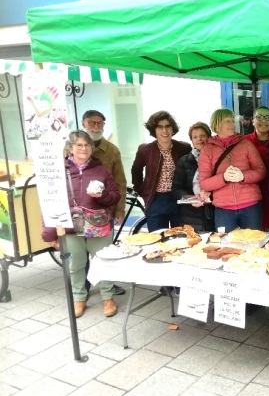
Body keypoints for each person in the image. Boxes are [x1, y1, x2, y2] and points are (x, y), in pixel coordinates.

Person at [42, 131, 121, 318]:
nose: (83, 149)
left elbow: (115, 196)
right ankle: (79, 298)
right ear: (70, 148)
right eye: (79, 145)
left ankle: (108, 297)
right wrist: (49, 234)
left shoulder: (101, 169)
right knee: (76, 263)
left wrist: (101, 196)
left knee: (104, 260)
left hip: (98, 224)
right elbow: (48, 201)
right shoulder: (58, 170)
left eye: (87, 145)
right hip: (70, 225)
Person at [81, 110, 127, 296]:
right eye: (92, 123)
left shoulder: (111, 150)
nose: (96, 127)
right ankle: (83, 286)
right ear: (83, 123)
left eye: (100, 123)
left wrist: (120, 209)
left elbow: (120, 182)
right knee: (81, 251)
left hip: (104, 209)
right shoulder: (72, 147)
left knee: (105, 250)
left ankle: (108, 285)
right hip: (79, 209)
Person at [199, 108, 266, 232]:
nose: (232, 124)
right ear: (217, 124)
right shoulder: (207, 149)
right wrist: (223, 178)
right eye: (227, 121)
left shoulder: (245, 143)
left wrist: (243, 176)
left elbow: (261, 171)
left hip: (250, 205)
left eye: (232, 121)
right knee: (226, 248)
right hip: (223, 209)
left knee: (254, 245)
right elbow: (204, 183)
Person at [131, 111, 191, 232]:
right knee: (157, 238)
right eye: (160, 127)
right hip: (156, 200)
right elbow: (136, 170)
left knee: (181, 236)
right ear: (154, 130)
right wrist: (143, 191)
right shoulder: (145, 150)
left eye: (168, 126)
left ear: (172, 128)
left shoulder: (184, 148)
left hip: (178, 199)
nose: (165, 131)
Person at [172, 121, 215, 232]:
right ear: (191, 140)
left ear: (209, 137)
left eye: (202, 136)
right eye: (195, 137)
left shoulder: (217, 158)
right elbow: (176, 188)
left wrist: (209, 195)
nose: (199, 139)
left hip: (213, 212)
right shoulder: (184, 161)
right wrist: (190, 198)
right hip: (189, 214)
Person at [245, 106, 269, 231]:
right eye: (259, 117)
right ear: (253, 121)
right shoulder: (244, 142)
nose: (264, 121)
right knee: (254, 235)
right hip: (251, 195)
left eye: (268, 118)